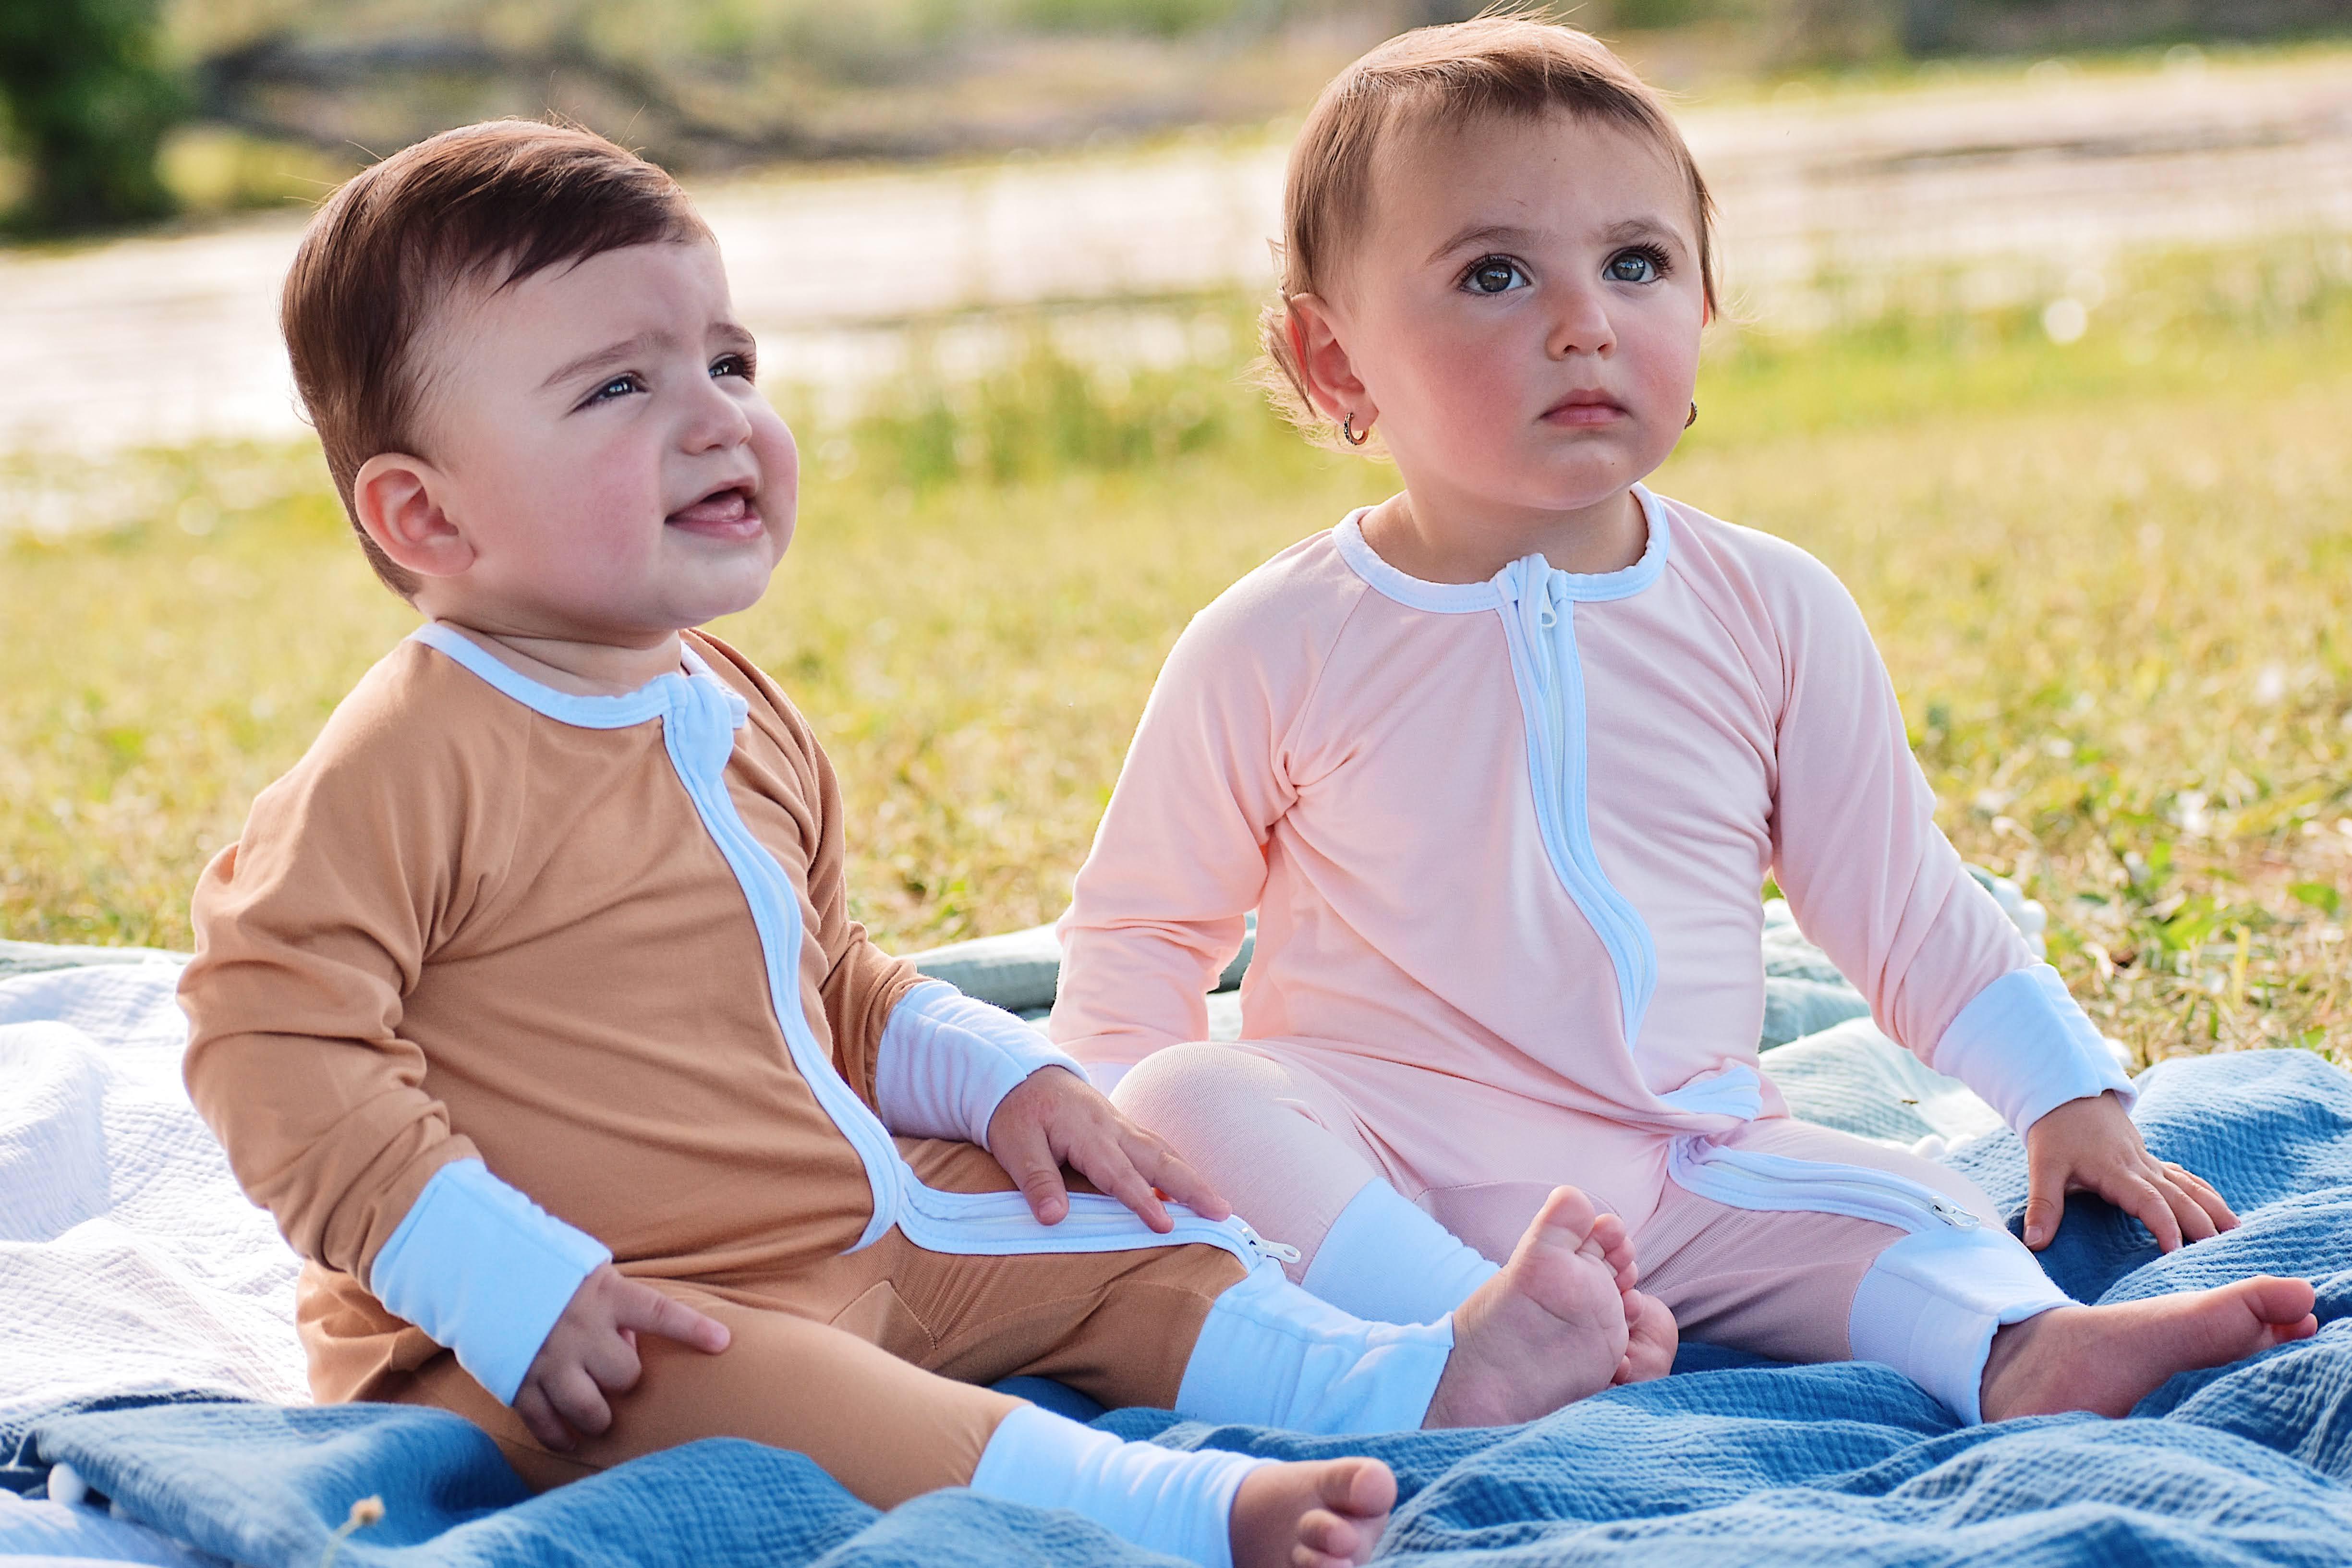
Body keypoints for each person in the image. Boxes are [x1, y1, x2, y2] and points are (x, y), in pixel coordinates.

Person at [175, 119, 1665, 1568]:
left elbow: (836, 981)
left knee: (1118, 1228)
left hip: (850, 1231)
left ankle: (1404, 1383)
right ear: (425, 516)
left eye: (728, 360)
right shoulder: (416, 752)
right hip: (583, 1328)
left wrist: (1012, 1082)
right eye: (618, 386)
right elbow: (265, 1030)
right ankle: (1168, 1512)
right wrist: (495, 1281)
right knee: (789, 1395)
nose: (716, 416)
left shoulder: (726, 699)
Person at [1050, 15, 2318, 1427]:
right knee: (1189, 1089)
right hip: (1380, 1149)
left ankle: (2024, 1352)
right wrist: (1117, 1173)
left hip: (1678, 1162)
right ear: (1334, 360)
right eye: (1494, 273)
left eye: (1635, 264)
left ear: (1700, 313)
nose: (1583, 319)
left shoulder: (1769, 607)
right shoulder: (1276, 639)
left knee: (1892, 1201)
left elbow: (1896, 899)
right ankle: (1465, 1332)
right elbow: (1140, 936)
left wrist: (2062, 1091)